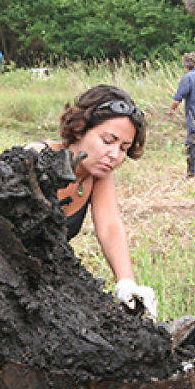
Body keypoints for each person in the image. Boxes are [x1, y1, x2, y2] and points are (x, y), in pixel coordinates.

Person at [27, 84, 158, 319]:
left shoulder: (98, 175)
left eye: (123, 148)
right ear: (79, 129)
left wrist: (126, 283)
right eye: (107, 140)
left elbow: (110, 226)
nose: (114, 155)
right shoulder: (36, 158)